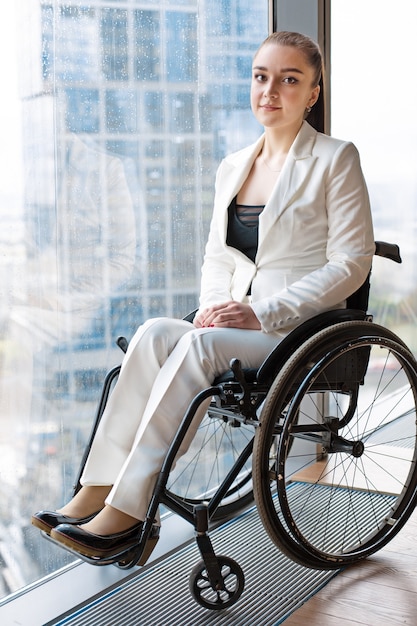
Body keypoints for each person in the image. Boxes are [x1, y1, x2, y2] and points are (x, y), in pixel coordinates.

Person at [32, 31, 374, 563]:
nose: (270, 91)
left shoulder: (334, 159)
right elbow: (219, 257)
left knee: (197, 349)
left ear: (312, 92)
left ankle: (130, 511)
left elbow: (351, 263)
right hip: (237, 323)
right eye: (261, 77)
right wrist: (216, 308)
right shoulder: (234, 165)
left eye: (289, 80)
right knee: (153, 333)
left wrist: (260, 312)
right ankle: (97, 490)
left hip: (297, 330)